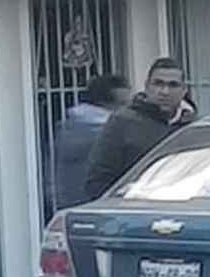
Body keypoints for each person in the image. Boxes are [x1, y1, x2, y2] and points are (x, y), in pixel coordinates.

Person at [83, 57, 196, 200]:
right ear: (147, 86)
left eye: (173, 85)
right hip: (135, 208)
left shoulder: (191, 125)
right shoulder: (123, 121)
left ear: (184, 90)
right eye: (158, 84)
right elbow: (100, 176)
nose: (165, 91)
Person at [48, 73, 130, 211]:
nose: (128, 107)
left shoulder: (70, 123)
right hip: (96, 201)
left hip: (65, 199)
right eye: (124, 103)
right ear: (111, 103)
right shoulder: (107, 129)